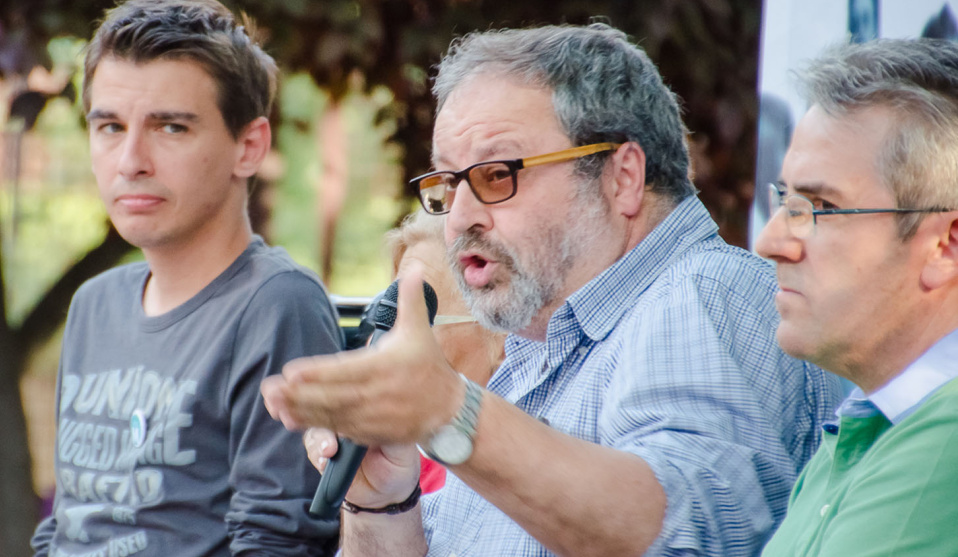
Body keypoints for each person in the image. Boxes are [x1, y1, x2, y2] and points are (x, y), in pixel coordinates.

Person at [262, 23, 840, 556]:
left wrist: (448, 413)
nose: (458, 218)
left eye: (496, 175)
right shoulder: (534, 350)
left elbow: (688, 533)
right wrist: (383, 503)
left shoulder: (699, 293)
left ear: (623, 177)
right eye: (448, 182)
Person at [30, 1, 343, 555]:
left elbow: (277, 543)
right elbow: (67, 525)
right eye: (110, 127)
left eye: (171, 127)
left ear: (249, 147)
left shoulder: (277, 305)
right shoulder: (95, 305)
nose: (130, 160)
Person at [757, 38, 958, 556]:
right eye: (785, 200)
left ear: (945, 244)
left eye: (820, 207)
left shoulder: (946, 441)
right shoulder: (867, 423)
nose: (770, 242)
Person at [387, 210, 507, 492]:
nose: (386, 342)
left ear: (503, 337)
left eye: (416, 320)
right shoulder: (393, 454)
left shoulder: (500, 474)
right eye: (390, 315)